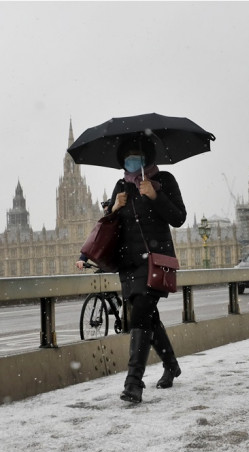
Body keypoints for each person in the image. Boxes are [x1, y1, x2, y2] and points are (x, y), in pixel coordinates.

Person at [76, 135, 187, 403]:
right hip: (129, 264)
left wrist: (155, 195)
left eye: (137, 154)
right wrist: (113, 208)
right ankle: (171, 365)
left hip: (155, 261)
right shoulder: (120, 185)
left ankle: (133, 382)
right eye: (128, 155)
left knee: (139, 314)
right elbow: (109, 226)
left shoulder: (165, 181)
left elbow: (178, 218)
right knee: (148, 316)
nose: (132, 159)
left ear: (147, 156)